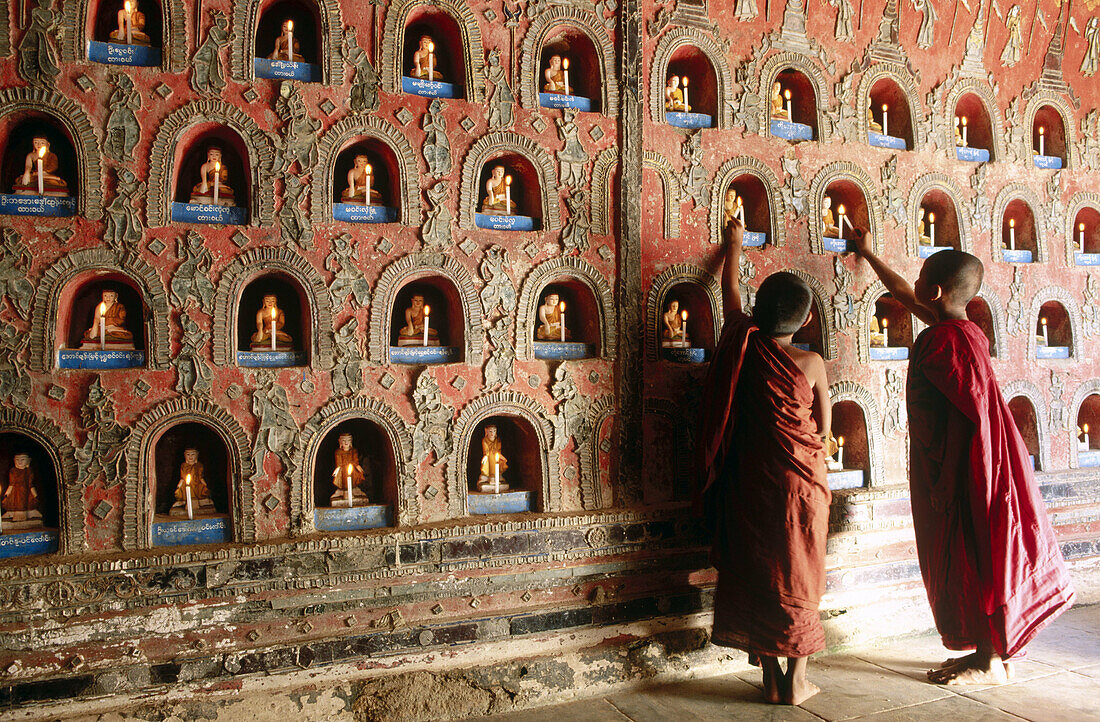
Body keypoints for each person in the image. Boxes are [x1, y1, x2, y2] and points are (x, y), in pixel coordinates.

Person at [852, 235, 1075, 685]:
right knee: (979, 549)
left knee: (978, 550)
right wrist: (870, 252)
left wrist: (947, 484)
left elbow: (964, 420)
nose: (913, 287)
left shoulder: (941, 343)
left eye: (921, 281)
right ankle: (985, 651)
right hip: (987, 458)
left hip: (970, 465)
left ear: (933, 293)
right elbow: (903, 293)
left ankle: (990, 661)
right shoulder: (960, 329)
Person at [694, 217, 832, 705]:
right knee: (799, 571)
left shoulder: (744, 342)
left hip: (752, 481)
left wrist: (734, 246)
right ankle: (798, 679)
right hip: (801, 483)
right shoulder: (811, 363)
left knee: (759, 570)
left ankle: (772, 678)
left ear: (756, 313)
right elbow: (825, 419)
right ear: (807, 320)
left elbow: (729, 292)